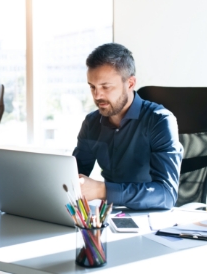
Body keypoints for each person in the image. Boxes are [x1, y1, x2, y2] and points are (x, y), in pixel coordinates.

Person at [73, 43, 183, 210]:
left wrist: (102, 190)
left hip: (152, 218)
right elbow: (73, 176)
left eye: (105, 86)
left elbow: (166, 194)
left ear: (130, 83)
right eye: (92, 87)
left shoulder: (160, 121)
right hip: (108, 215)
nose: (97, 95)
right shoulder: (91, 123)